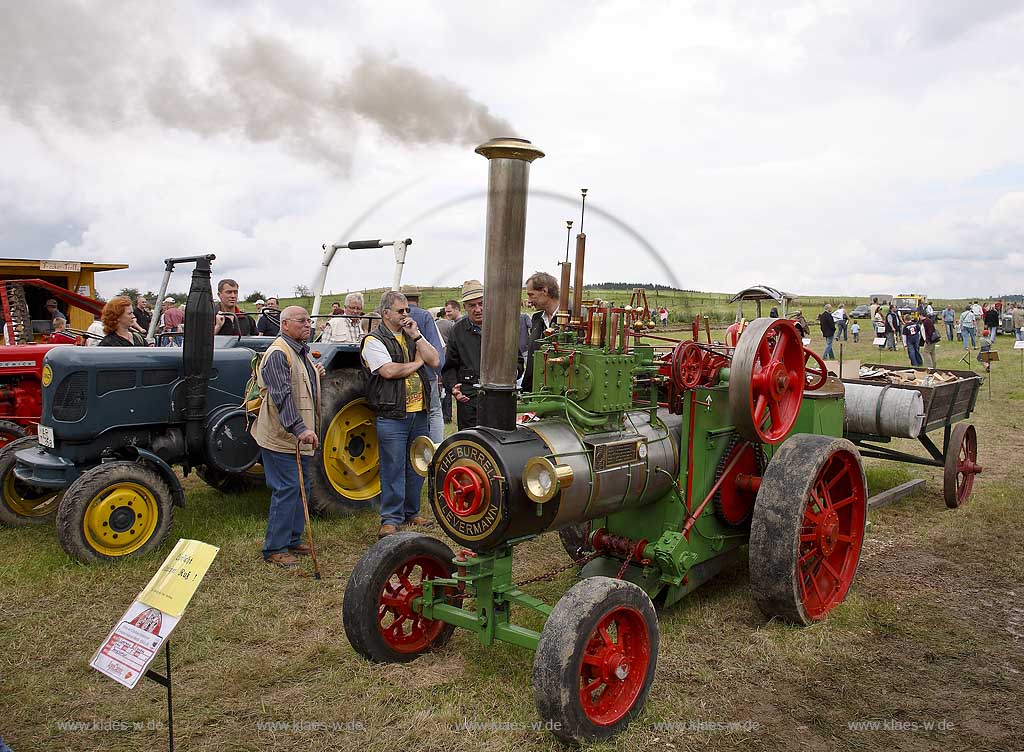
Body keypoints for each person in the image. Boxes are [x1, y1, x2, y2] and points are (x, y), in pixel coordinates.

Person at [361, 291, 439, 539]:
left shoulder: (411, 333)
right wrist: (417, 364)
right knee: (393, 466)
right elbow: (388, 371)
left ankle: (411, 512)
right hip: (393, 413)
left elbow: (435, 360)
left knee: (417, 464)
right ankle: (391, 518)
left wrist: (417, 335)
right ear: (386, 313)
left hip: (419, 412)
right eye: (401, 311)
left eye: (408, 311)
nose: (406, 315)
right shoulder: (374, 340)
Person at [252, 306, 325, 568]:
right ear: (284, 324)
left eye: (309, 320)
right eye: (302, 321)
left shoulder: (299, 351)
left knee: (301, 487)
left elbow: (298, 384)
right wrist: (300, 428)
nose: (308, 325)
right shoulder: (277, 353)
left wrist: (315, 374)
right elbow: (282, 395)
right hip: (281, 436)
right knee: (287, 488)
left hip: (296, 437)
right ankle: (275, 548)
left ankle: (293, 539)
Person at [401, 286, 446, 444]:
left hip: (401, 375)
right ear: (418, 299)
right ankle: (435, 449)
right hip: (426, 375)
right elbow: (437, 349)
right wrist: (441, 373)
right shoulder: (425, 316)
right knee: (434, 412)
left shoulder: (392, 316)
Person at [444, 281, 486, 429]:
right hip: (468, 400)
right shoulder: (457, 331)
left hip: (499, 399)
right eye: (472, 305)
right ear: (465, 307)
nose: (478, 309)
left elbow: (517, 361)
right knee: (470, 444)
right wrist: (453, 388)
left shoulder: (500, 327)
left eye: (481, 303)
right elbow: (449, 366)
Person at [523, 271, 560, 392]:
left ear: (544, 291)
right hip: (537, 389)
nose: (528, 301)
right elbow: (532, 360)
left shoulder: (572, 317)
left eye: (531, 295)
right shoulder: (536, 318)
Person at [435, 309, 456, 424]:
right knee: (446, 388)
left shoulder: (436, 324)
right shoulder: (450, 325)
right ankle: (447, 416)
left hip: (436, 356)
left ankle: (442, 414)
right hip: (447, 356)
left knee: (439, 388)